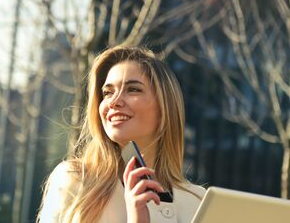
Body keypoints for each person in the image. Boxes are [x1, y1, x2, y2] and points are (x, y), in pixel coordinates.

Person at [37, 46, 205, 223]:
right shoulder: (75, 180)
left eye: (133, 89)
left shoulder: (198, 201)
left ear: (165, 108)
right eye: (107, 93)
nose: (114, 102)